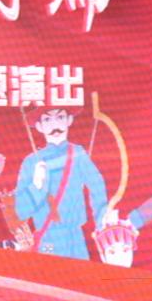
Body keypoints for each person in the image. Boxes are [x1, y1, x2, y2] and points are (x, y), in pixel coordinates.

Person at [14, 106, 108, 259]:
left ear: (69, 120)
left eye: (60, 117)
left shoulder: (78, 154)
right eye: (47, 119)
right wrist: (36, 186)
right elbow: (19, 212)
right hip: (48, 238)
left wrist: (102, 220)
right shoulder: (31, 162)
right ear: (39, 126)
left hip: (75, 237)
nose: (54, 125)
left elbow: (97, 185)